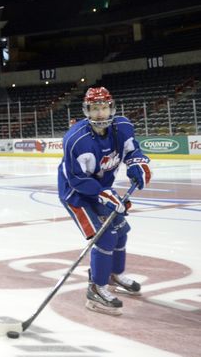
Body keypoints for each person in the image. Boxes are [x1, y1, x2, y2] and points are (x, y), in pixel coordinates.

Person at [57, 86, 152, 315]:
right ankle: (96, 288)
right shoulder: (75, 140)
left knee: (120, 230)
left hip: (102, 188)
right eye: (94, 109)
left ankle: (114, 275)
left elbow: (132, 151)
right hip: (77, 194)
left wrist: (138, 164)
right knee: (104, 238)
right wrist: (102, 194)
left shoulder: (123, 127)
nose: (100, 113)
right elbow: (76, 179)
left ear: (112, 107)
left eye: (104, 107)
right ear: (86, 111)